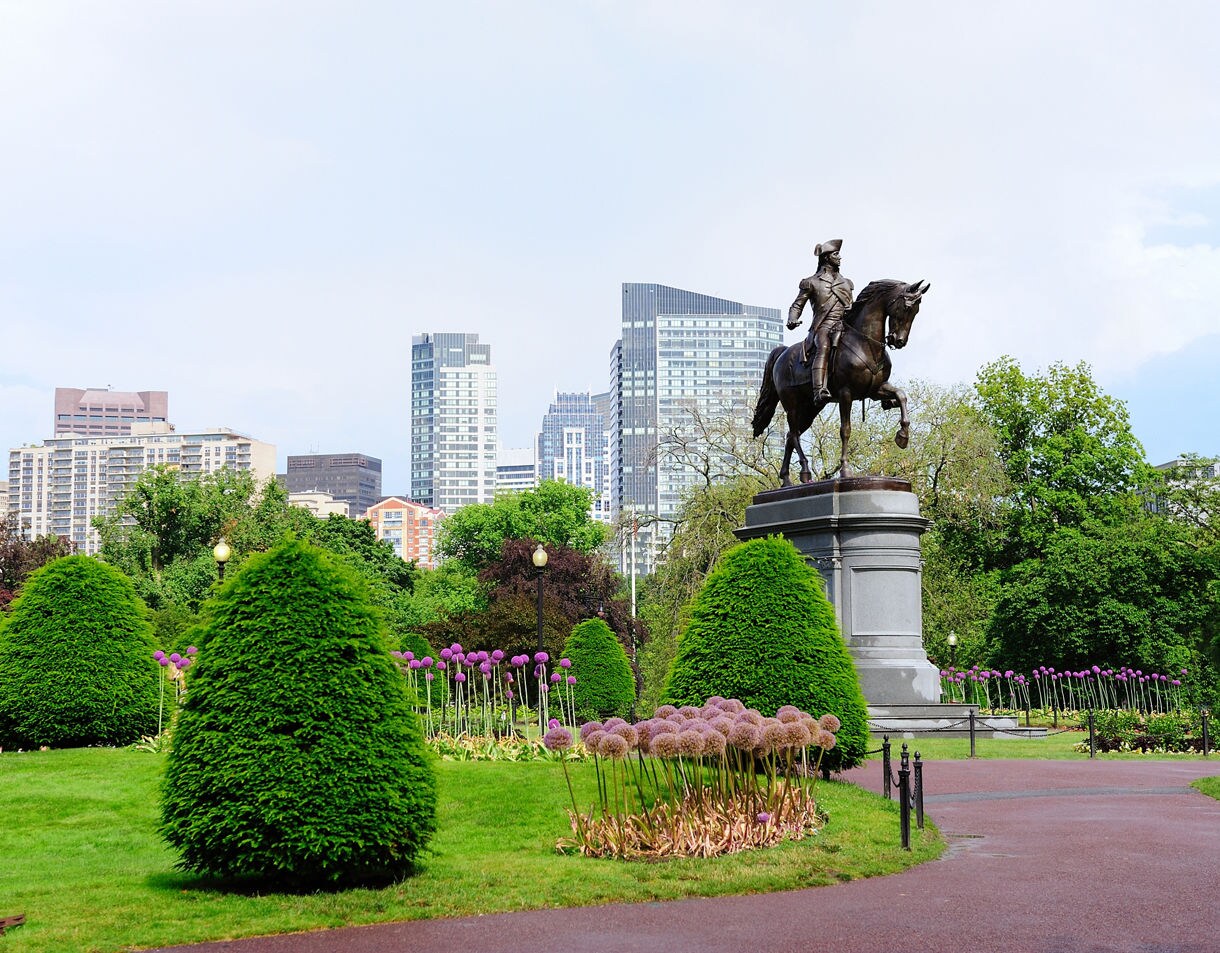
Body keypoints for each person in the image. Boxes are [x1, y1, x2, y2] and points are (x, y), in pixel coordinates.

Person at [787, 239, 854, 401]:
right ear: (826, 257)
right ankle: (819, 389)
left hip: (844, 326)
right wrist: (792, 318)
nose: (840, 257)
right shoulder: (811, 282)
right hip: (823, 327)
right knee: (823, 346)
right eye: (836, 254)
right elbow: (797, 305)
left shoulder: (846, 283)